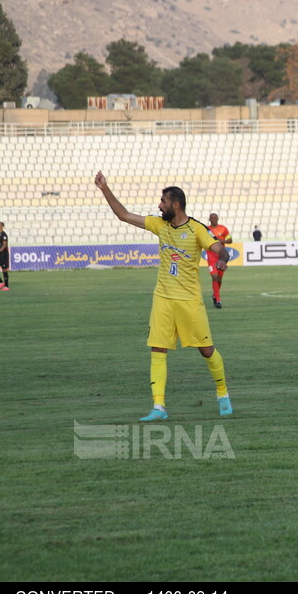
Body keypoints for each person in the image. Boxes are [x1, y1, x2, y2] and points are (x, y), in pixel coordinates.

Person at [94, 172, 233, 421]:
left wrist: (222, 262)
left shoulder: (197, 229)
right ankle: (159, 407)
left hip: (189, 300)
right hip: (163, 298)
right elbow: (124, 215)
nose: (159, 205)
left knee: (206, 349)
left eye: (163, 201)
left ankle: (222, 395)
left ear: (175, 204)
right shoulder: (160, 226)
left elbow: (222, 251)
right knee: (157, 348)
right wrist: (105, 189)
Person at [206, 213, 233, 309]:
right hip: (211, 256)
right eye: (211, 218)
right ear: (209, 219)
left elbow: (230, 240)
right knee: (215, 276)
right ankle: (218, 300)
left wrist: (221, 241)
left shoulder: (223, 229)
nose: (213, 219)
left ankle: (214, 295)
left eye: (215, 217)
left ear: (217, 218)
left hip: (222, 256)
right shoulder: (206, 229)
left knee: (219, 279)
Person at [0, 221, 9, 291]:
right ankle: (1, 282)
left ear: (2, 226)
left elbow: (4, 245)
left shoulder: (4, 235)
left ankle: (6, 286)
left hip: (3, 255)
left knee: (4, 270)